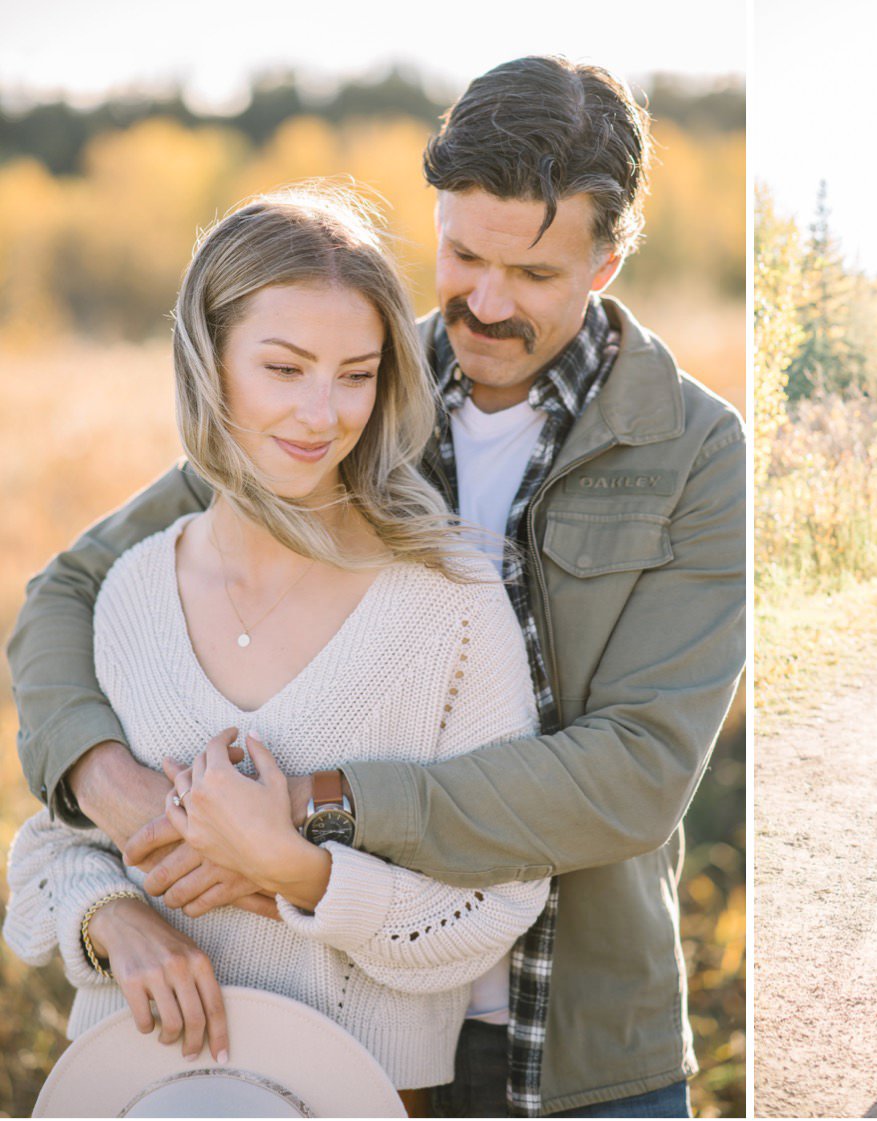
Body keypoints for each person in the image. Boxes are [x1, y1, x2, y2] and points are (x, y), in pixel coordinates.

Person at [7, 56, 746, 1118]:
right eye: (462, 255)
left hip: (582, 1035)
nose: (487, 302)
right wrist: (111, 783)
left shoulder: (697, 451)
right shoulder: (350, 384)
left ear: (607, 259)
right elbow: (71, 588)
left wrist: (308, 812)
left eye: (535, 274)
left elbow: (635, 775)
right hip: (345, 1038)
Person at [3, 187, 550, 1111]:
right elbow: (52, 849)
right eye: (285, 368)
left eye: (355, 373)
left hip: (359, 1095)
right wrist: (112, 918)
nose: (322, 414)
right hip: (131, 1087)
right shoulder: (133, 589)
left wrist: (299, 872)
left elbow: (499, 900)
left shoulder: (448, 599)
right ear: (208, 362)